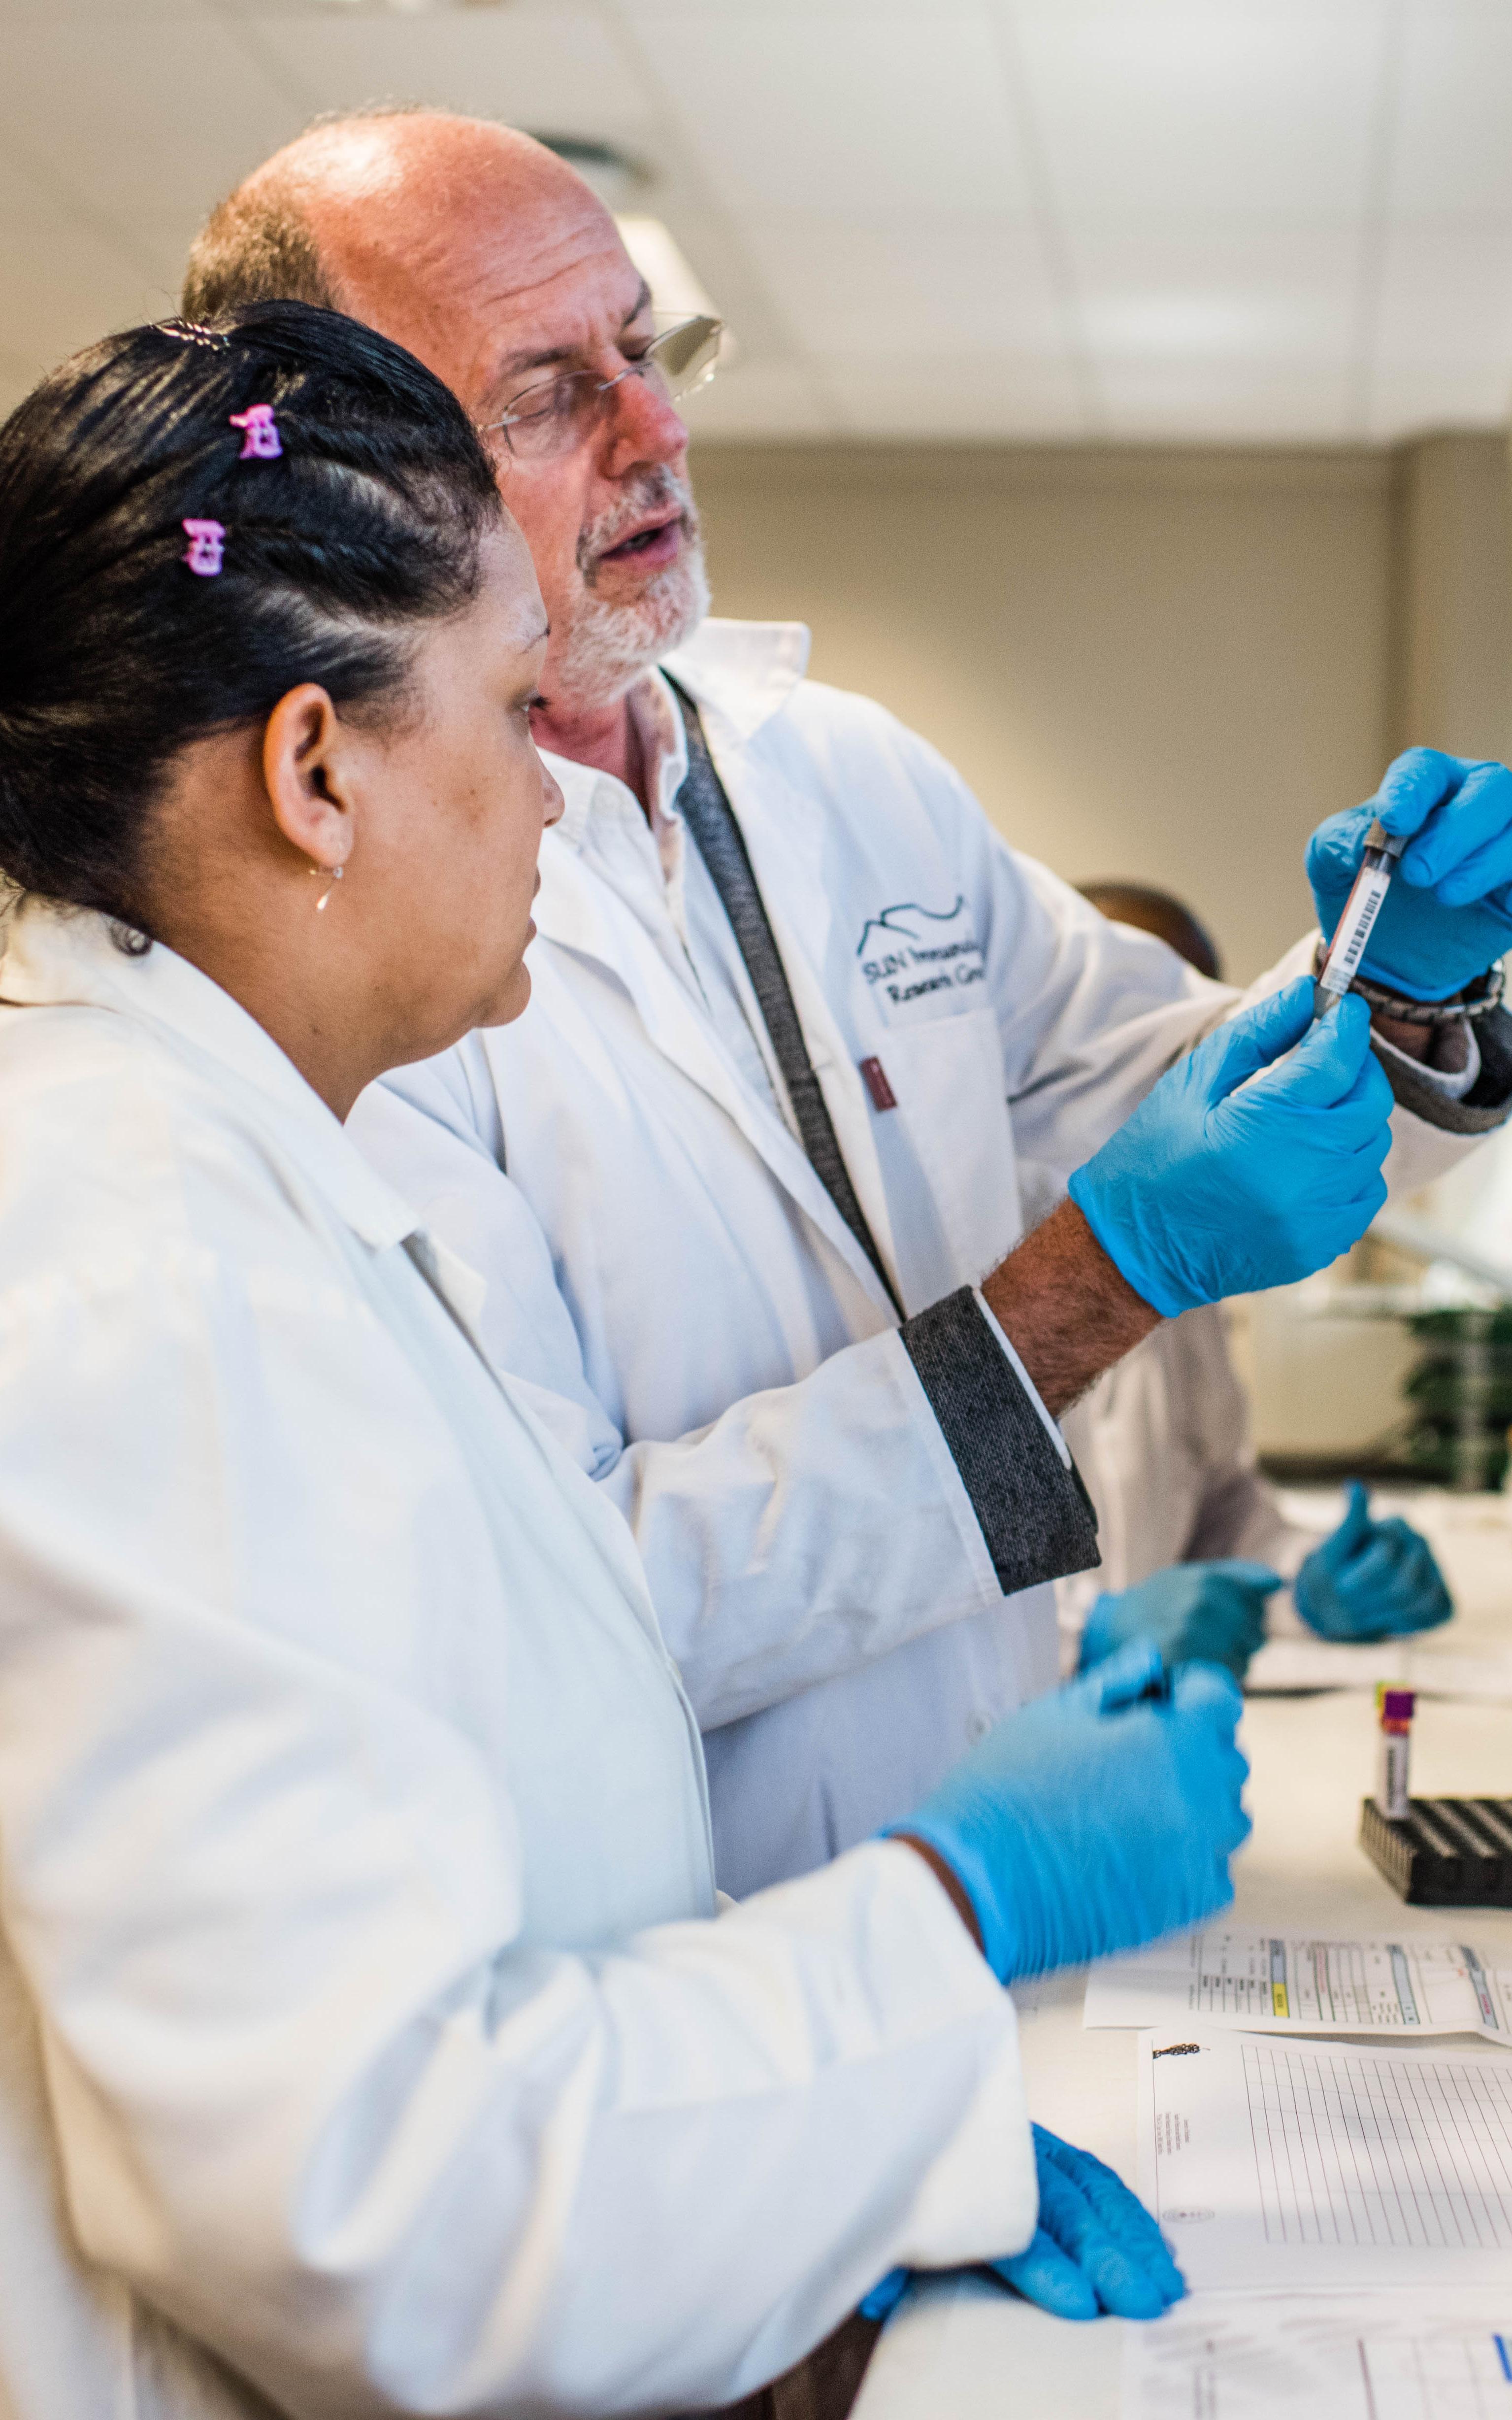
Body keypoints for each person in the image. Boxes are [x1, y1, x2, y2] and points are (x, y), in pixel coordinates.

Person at [0, 301, 1308, 2419]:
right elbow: (371, 2201)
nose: (557, 798)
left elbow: (495, 1806)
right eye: (514, 717)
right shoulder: (142, 1263)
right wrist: (943, 1905)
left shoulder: (246, 1183)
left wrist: (877, 2148)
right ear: (312, 771)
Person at [185, 113, 1512, 1898]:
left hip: (1017, 1872)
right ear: (339, 479)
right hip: (693, 1952)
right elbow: (557, 1598)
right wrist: (1096, 1289)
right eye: (549, 392)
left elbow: (1178, 1092)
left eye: (648, 355)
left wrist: (1392, 986)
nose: (657, 434)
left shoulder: (850, 778)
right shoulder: (330, 940)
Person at [1062, 884, 1455, 1682]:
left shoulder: (1182, 1266)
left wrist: (1308, 1580)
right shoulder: (950, 1255)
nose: (1151, 1072)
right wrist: (1081, 1636)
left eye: (1182, 1043)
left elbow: (1211, 1513)